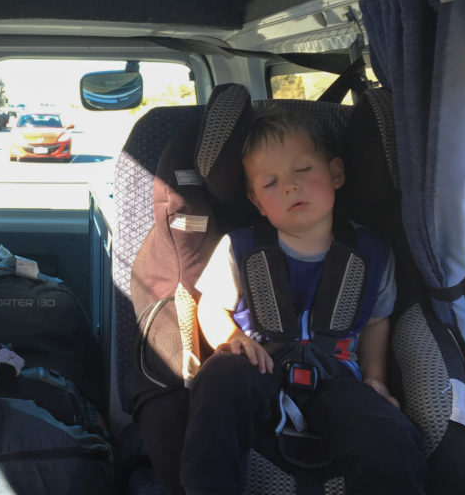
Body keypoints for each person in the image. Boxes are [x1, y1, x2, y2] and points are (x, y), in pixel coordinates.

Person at [179, 107, 426, 495]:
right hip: (259, 370)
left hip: (337, 381)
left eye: (304, 170)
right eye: (271, 183)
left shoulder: (373, 253)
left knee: (390, 434)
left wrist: (375, 378)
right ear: (257, 202)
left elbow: (377, 320)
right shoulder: (240, 248)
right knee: (219, 378)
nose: (290, 187)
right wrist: (232, 338)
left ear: (336, 173)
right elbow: (211, 305)